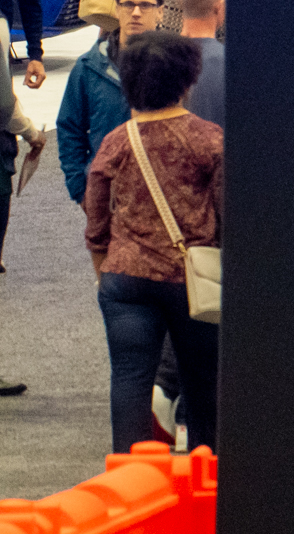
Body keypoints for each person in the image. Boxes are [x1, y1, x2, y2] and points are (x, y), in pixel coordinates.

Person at [80, 28, 221, 453]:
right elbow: (227, 211)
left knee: (128, 379)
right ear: (187, 81)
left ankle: (130, 482)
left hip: (125, 277)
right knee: (202, 381)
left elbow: (97, 214)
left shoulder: (115, 142)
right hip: (190, 280)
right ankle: (204, 469)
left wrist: (102, 266)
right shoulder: (208, 139)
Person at [56, 0, 164, 212]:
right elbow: (69, 127)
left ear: (160, 12)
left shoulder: (176, 66)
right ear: (116, 9)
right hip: (107, 198)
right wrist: (81, 188)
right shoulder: (89, 67)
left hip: (163, 198)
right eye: (128, 5)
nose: (136, 13)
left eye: (145, 5)